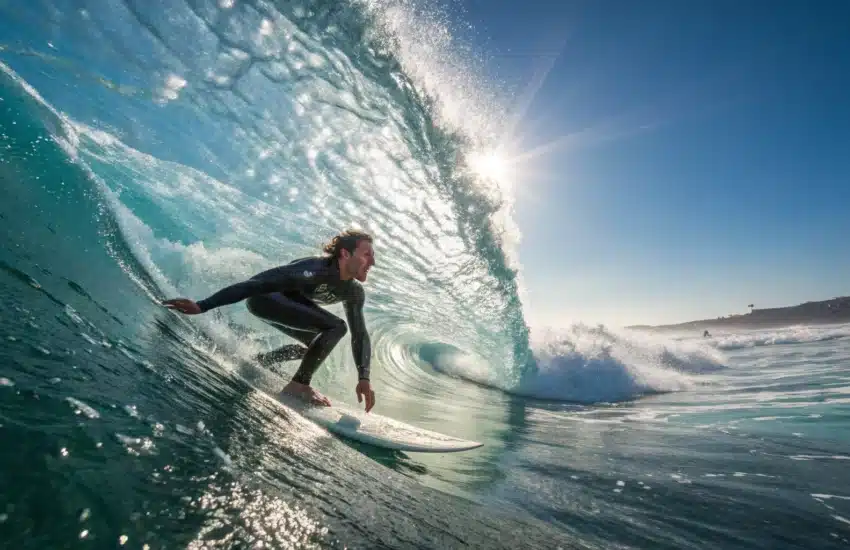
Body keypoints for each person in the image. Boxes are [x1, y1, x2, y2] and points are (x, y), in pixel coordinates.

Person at [161, 229, 376, 412]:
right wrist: (203, 304)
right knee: (336, 327)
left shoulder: (354, 292)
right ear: (345, 254)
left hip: (289, 303)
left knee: (316, 345)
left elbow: (360, 334)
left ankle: (262, 361)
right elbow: (256, 284)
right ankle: (299, 385)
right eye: (367, 255)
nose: (372, 262)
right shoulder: (314, 270)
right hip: (265, 299)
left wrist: (364, 378)